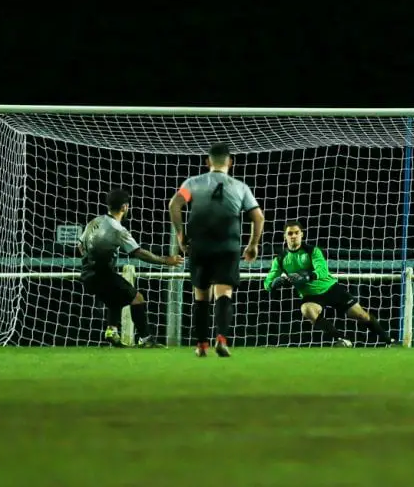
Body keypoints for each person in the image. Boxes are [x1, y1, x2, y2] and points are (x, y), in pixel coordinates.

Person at [169, 142, 265, 358]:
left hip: (200, 245)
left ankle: (201, 345)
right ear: (230, 162)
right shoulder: (241, 187)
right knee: (224, 293)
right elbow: (258, 216)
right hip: (228, 246)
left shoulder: (192, 183)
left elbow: (174, 205)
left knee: (201, 296)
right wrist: (253, 244)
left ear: (207, 162)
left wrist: (180, 235)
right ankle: (221, 339)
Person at [78, 188, 184, 347]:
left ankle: (112, 331)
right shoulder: (118, 229)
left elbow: (80, 245)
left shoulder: (94, 221)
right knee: (137, 298)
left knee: (116, 298)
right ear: (124, 207)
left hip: (86, 274)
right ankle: (146, 339)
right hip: (102, 274)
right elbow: (139, 253)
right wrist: (166, 260)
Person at [264, 220, 395, 347]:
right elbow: (268, 280)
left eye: (296, 233)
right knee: (307, 310)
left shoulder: (312, 251)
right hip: (311, 296)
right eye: (290, 233)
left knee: (362, 315)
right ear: (285, 236)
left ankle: (388, 340)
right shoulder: (280, 259)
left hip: (331, 289)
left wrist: (309, 275)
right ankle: (342, 339)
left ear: (302, 234)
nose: (293, 236)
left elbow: (322, 270)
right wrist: (272, 284)